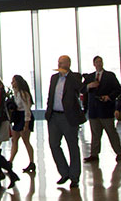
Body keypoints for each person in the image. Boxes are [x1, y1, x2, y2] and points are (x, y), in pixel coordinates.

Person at [45, 55, 85, 189]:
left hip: (69, 117)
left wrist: (68, 75)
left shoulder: (74, 77)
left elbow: (81, 88)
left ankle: (74, 176)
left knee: (72, 146)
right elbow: (50, 96)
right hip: (54, 117)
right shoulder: (54, 78)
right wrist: (48, 112)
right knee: (54, 144)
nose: (59, 65)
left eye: (62, 63)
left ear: (68, 64)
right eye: (58, 62)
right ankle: (64, 172)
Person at [82, 55, 121, 163]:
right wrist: (88, 86)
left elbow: (118, 89)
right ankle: (94, 154)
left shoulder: (110, 76)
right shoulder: (89, 77)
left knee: (111, 133)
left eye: (100, 62)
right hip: (94, 111)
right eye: (97, 62)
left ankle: (119, 152)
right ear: (94, 64)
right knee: (95, 134)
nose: (99, 64)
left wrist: (109, 97)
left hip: (106, 110)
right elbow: (82, 90)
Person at [8, 75, 35, 173]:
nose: (12, 83)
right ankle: (10, 161)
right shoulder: (16, 93)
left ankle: (31, 162)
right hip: (18, 117)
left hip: (24, 117)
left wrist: (26, 124)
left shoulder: (24, 94)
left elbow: (27, 109)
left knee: (26, 140)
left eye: (14, 81)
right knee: (14, 140)